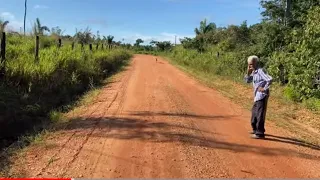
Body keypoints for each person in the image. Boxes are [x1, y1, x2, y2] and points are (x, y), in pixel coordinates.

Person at [245, 55, 272, 139]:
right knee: (254, 114)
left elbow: (270, 79)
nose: (250, 66)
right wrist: (248, 73)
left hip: (262, 96)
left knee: (260, 114)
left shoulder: (260, 71)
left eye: (252, 64)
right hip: (257, 96)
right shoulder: (254, 72)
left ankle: (260, 133)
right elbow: (247, 81)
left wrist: (264, 88)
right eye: (249, 65)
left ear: (256, 63)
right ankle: (255, 129)